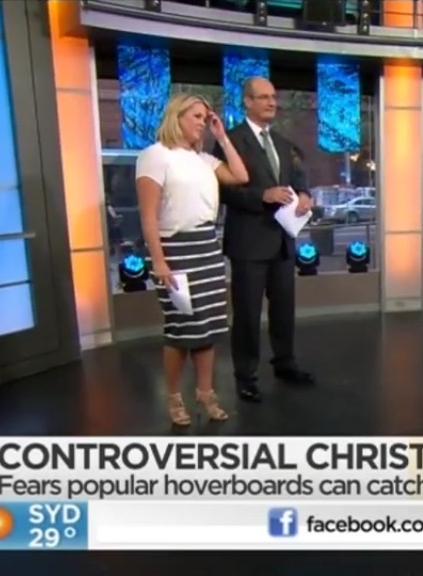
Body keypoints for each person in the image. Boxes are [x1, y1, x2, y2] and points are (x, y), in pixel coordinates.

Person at [135, 93, 250, 426]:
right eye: (196, 116)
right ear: (177, 116)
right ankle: (173, 396)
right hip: (175, 249)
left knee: (208, 326)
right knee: (182, 328)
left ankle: (205, 392)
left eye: (205, 117)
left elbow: (241, 176)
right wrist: (159, 261)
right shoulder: (155, 156)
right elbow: (148, 216)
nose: (202, 122)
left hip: (207, 247)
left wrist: (222, 137)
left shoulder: (204, 160)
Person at [214, 76, 316, 404]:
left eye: (273, 96)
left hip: (283, 240)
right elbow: (224, 192)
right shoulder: (230, 142)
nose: (272, 102)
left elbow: (298, 181)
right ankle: (245, 376)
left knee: (284, 309)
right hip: (248, 243)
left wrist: (304, 195)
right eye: (263, 97)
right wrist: (262, 195)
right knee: (246, 313)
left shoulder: (283, 144)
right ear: (247, 101)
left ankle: (285, 363)